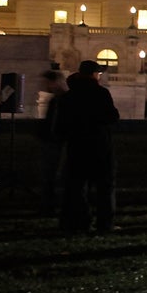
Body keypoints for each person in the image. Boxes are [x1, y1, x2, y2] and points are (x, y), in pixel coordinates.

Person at [56, 61, 120, 232]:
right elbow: (113, 117)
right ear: (94, 74)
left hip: (76, 147)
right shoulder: (101, 93)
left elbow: (61, 125)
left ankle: (79, 222)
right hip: (99, 146)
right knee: (104, 188)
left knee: (76, 188)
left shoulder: (68, 97)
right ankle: (104, 224)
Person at [35, 69, 68, 216]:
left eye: (48, 82)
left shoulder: (62, 99)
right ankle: (48, 204)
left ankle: (49, 205)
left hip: (56, 142)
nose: (45, 85)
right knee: (49, 175)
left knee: (51, 175)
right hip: (52, 140)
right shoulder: (57, 99)